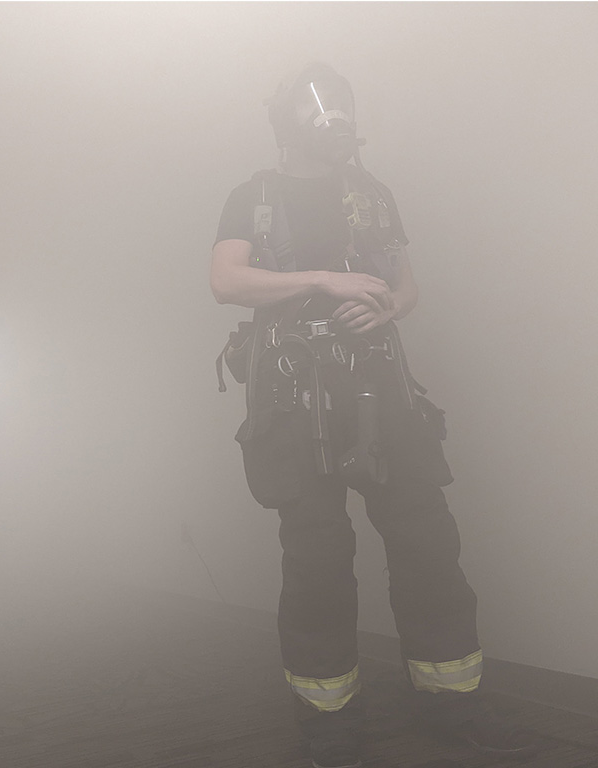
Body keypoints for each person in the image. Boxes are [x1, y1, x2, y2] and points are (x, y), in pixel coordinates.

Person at [210, 62, 539, 768]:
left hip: (383, 393)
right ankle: (329, 718)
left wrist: (386, 304)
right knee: (317, 557)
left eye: (342, 106)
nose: (332, 118)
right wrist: (324, 279)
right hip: (296, 402)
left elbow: (406, 282)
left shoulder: (371, 194)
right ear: (284, 120)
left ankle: (453, 703)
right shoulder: (255, 197)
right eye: (315, 107)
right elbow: (226, 279)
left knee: (428, 543)